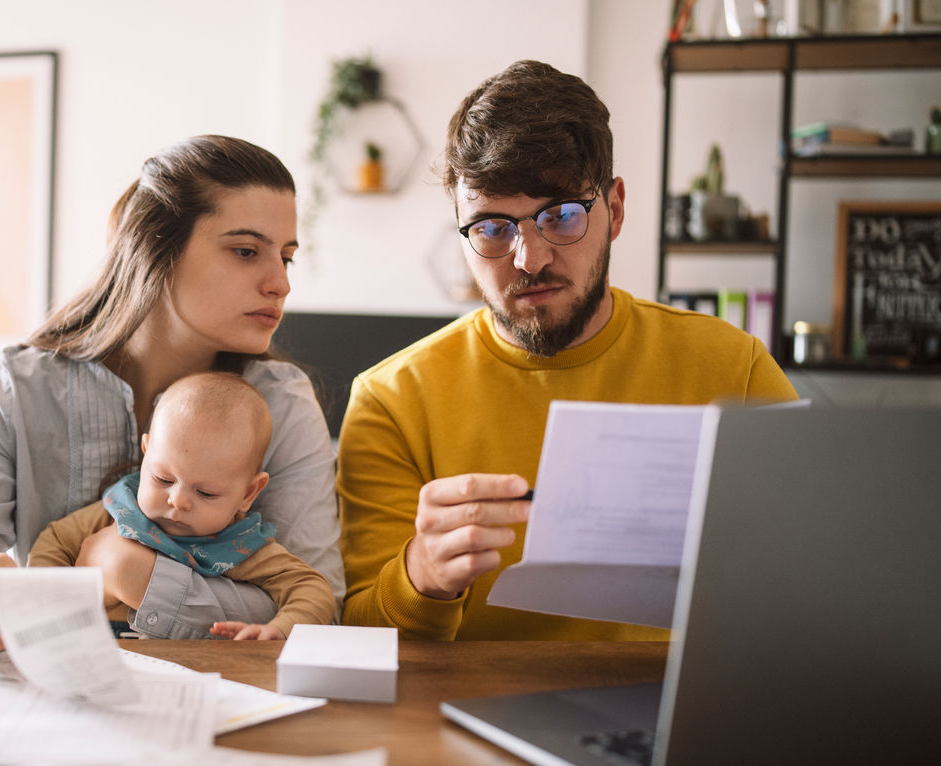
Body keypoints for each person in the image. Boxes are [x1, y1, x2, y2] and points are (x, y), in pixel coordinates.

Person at [337, 60, 798, 642]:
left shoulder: (736, 369)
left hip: (680, 712)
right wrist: (422, 577)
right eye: (492, 228)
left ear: (617, 210)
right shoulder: (390, 401)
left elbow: (818, 577)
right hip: (467, 719)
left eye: (561, 215)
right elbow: (357, 640)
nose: (530, 259)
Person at [0, 135, 344, 657]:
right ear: (156, 251)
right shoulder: (14, 386)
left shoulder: (281, 403)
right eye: (246, 252)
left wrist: (130, 573)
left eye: (286, 257)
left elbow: (321, 604)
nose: (280, 283)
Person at [28, 371, 336, 640]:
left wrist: (281, 628)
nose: (178, 500)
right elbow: (54, 541)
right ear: (146, 453)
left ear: (248, 493)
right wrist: (47, 606)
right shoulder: (120, 509)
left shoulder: (240, 545)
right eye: (163, 478)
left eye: (206, 493)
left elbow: (313, 590)